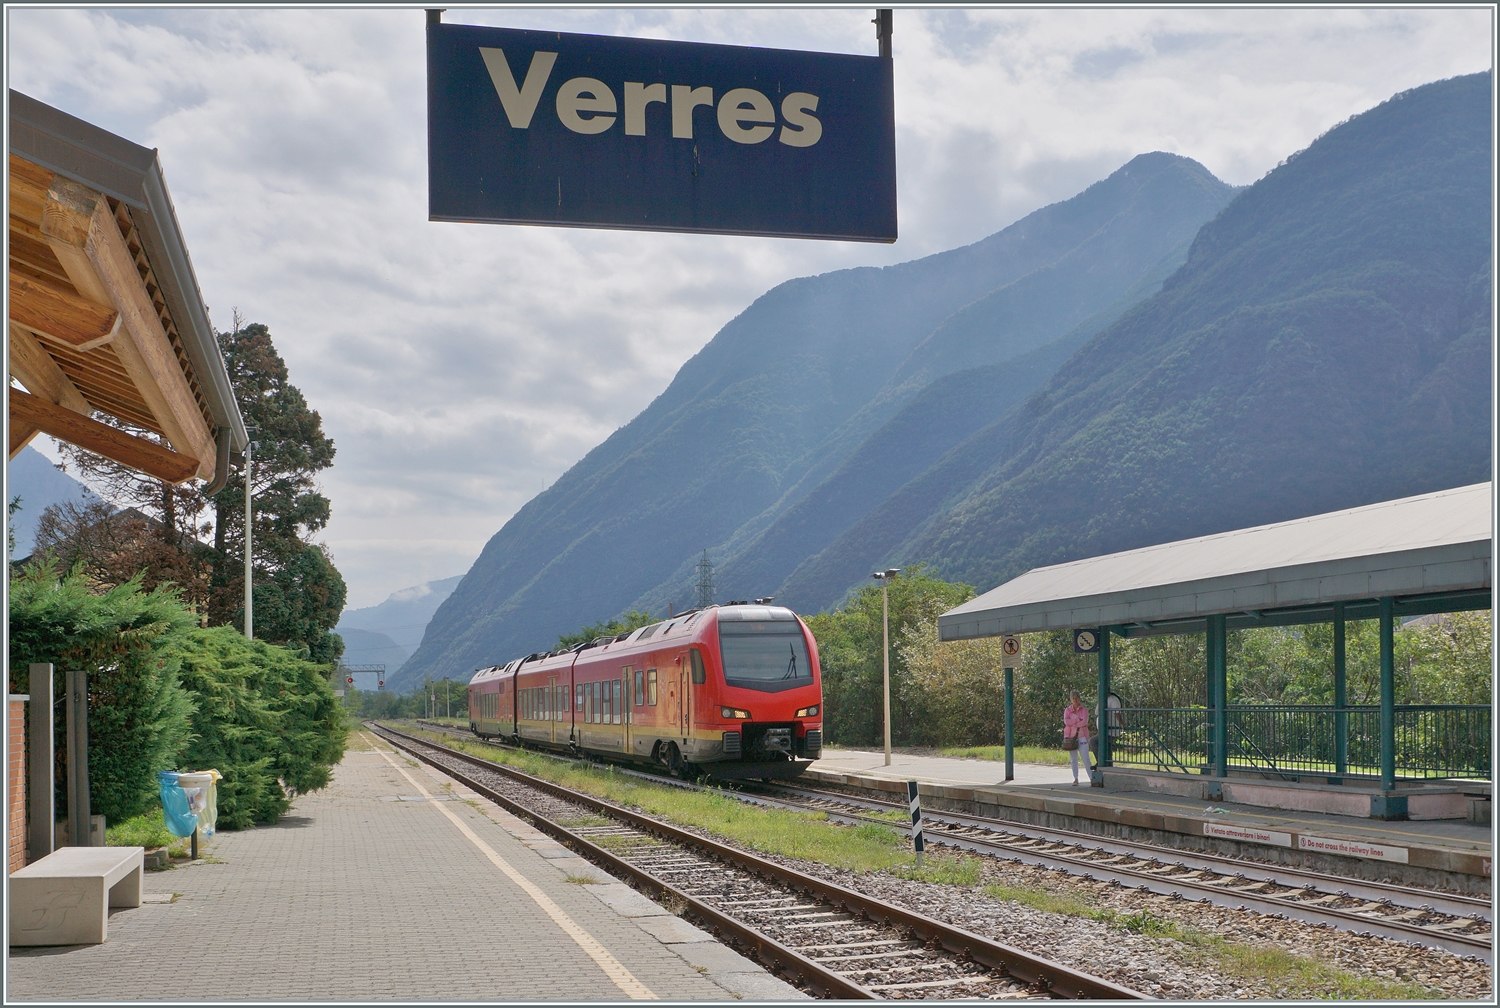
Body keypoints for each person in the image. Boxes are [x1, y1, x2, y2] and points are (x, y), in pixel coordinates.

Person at [1062, 691, 1094, 785]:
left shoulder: (1084, 710)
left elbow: (1084, 722)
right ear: (1071, 699)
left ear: (1079, 698)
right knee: (1073, 759)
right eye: (1073, 698)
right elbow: (1066, 722)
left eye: (1076, 698)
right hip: (1070, 737)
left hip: (1082, 736)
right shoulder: (1068, 710)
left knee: (1085, 758)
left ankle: (1091, 778)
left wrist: (1073, 723)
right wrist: (1077, 721)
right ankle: (1075, 778)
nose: (1075, 700)